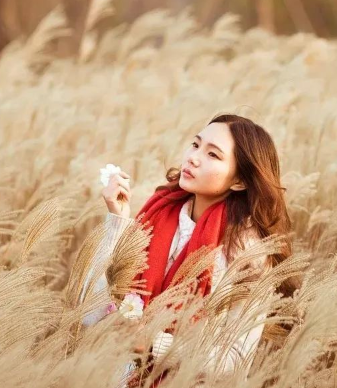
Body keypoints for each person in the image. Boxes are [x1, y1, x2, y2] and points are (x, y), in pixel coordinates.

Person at [79, 114, 301, 386]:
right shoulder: (156, 218)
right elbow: (91, 312)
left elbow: (234, 360)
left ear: (240, 181)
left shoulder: (246, 251)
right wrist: (118, 222)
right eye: (195, 145)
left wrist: (153, 342)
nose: (194, 158)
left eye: (213, 155)